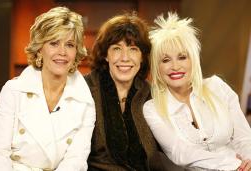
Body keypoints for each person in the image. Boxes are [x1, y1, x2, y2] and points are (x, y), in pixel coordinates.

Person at [143, 12, 251, 171]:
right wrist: (233, 166)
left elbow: (243, 136)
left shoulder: (217, 87)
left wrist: (248, 159)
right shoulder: (152, 108)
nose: (175, 66)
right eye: (166, 60)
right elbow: (180, 153)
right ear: (156, 66)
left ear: (193, 59)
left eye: (182, 57)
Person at [0, 7, 95, 171]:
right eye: (54, 43)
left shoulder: (86, 101)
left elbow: (76, 161)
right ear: (40, 48)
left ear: (76, 52)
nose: (62, 52)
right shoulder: (13, 91)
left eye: (69, 45)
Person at [85, 12, 176, 171]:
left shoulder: (154, 95)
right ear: (106, 55)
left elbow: (175, 147)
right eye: (117, 48)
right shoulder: (85, 89)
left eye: (133, 49)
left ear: (142, 57)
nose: (125, 58)